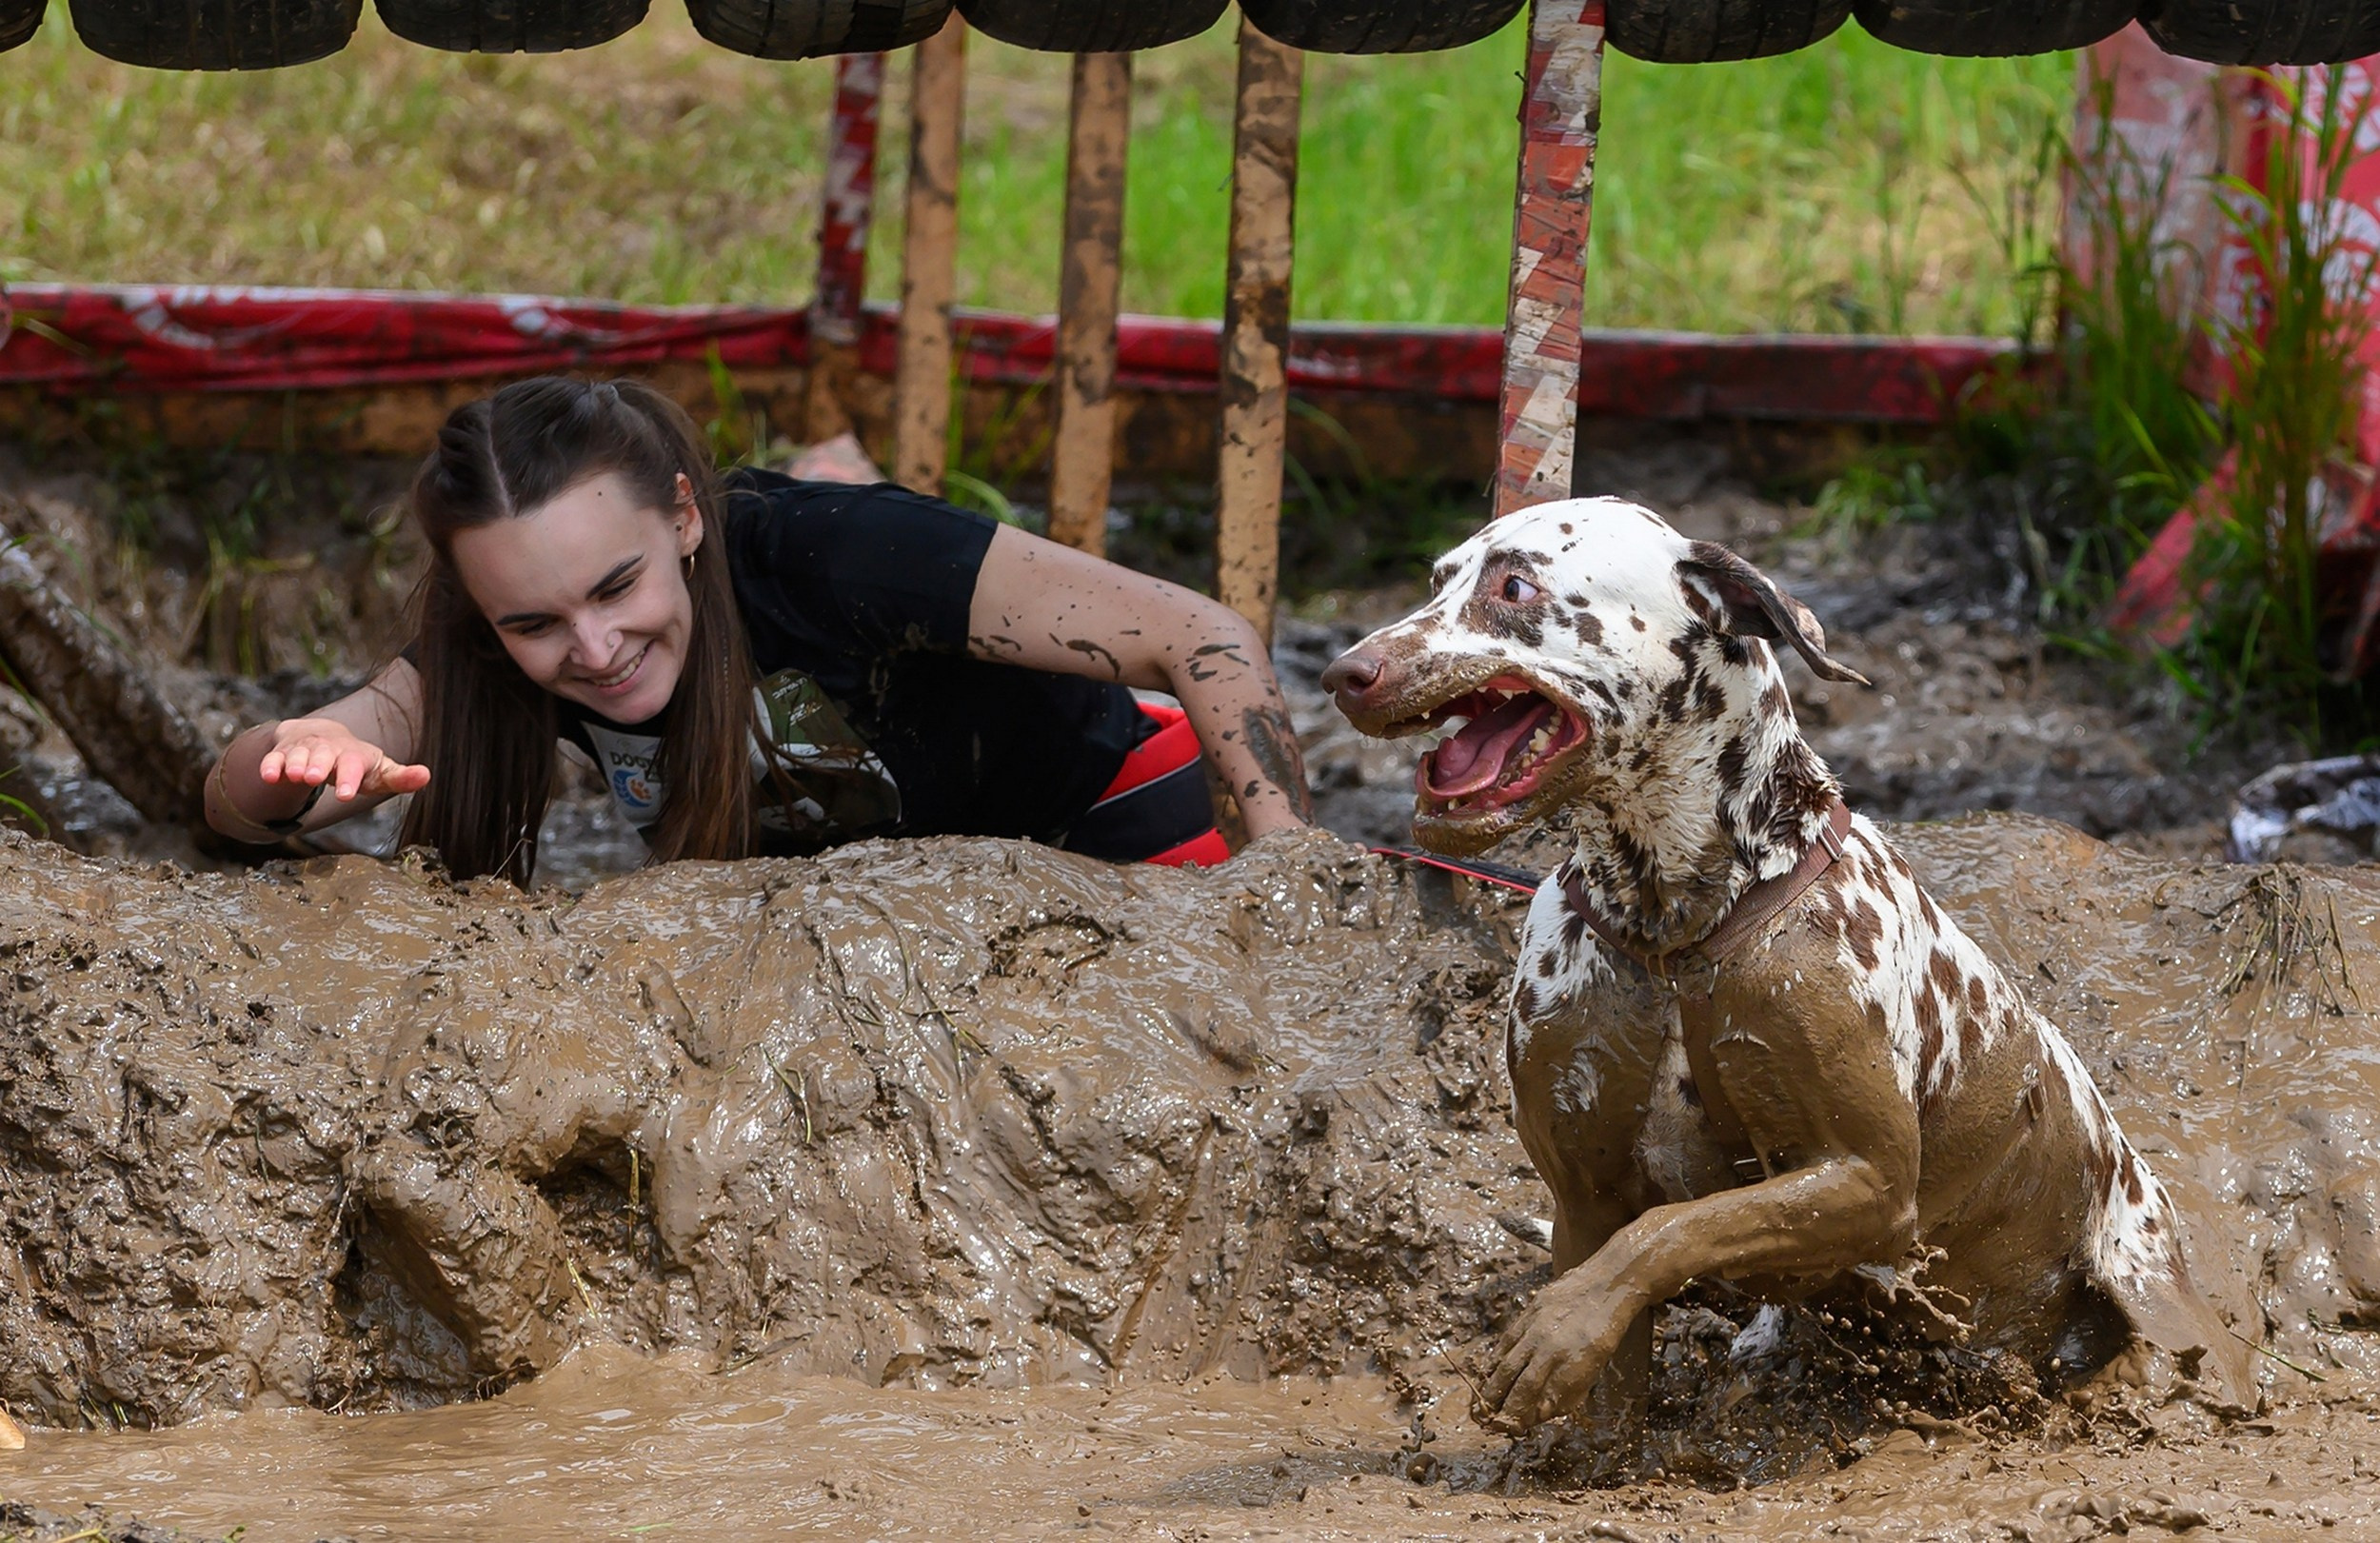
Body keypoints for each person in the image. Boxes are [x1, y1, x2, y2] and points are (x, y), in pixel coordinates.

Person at [204, 376, 1314, 884]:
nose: (591, 649)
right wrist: (292, 760)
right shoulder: (495, 641)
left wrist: (1298, 892)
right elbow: (241, 798)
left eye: (618, 587)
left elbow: (1202, 634)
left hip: (1109, 815)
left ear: (684, 515)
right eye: (536, 623)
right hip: (874, 926)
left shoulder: (834, 550)